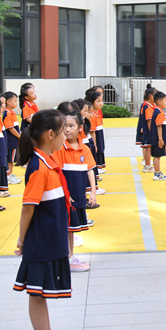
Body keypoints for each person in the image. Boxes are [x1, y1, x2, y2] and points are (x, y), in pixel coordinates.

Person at [13, 109, 80, 330]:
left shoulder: (48, 162)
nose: (66, 136)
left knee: (40, 294)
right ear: (51, 134)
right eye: (63, 131)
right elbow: (28, 207)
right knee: (37, 294)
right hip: (40, 243)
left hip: (50, 241)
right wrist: (21, 241)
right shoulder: (39, 168)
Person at [53, 110, 96, 273]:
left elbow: (90, 170)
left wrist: (92, 192)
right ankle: (67, 258)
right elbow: (58, 173)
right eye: (64, 126)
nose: (67, 129)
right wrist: (65, 194)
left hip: (78, 197)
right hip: (65, 198)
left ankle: (69, 257)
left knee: (71, 230)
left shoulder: (84, 149)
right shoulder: (60, 149)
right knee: (65, 229)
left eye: (71, 126)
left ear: (80, 128)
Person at [3, 91, 22, 181]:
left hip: (14, 140)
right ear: (8, 102)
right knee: (10, 159)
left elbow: (15, 127)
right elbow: (10, 128)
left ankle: (10, 173)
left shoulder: (12, 113)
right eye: (15, 101)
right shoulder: (7, 113)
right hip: (11, 140)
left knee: (12, 158)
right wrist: (19, 136)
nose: (16, 103)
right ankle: (8, 175)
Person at [150, 91, 166, 181]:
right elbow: (159, 126)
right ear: (159, 101)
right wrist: (160, 139)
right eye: (165, 100)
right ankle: (157, 173)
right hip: (158, 138)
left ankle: (157, 172)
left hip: (155, 138)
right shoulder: (159, 112)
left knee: (156, 156)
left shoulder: (156, 110)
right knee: (157, 156)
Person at [138, 86, 155, 172]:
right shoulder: (147, 106)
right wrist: (152, 131)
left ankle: (147, 163)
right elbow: (149, 120)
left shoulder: (148, 105)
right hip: (148, 131)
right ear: (151, 96)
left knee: (147, 147)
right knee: (148, 147)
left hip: (147, 130)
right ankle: (147, 165)